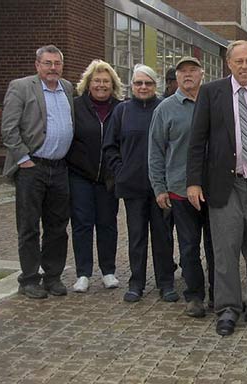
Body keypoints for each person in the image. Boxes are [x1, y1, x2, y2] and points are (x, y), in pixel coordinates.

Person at [187, 40, 247, 336]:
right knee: (225, 250)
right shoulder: (211, 93)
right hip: (224, 185)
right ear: (228, 63)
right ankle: (228, 309)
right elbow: (197, 141)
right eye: (239, 61)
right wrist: (193, 182)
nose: (244, 66)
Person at [1, 45, 74, 299]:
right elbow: (9, 128)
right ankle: (29, 279)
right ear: (37, 65)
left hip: (59, 168)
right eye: (47, 63)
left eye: (57, 63)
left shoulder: (67, 87)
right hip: (32, 168)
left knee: (57, 226)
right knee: (29, 226)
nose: (53, 68)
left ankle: (52, 277)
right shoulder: (21, 87)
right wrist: (23, 159)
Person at [103, 64, 177, 303]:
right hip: (133, 186)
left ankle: (166, 282)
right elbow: (110, 146)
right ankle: (136, 283)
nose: (143, 87)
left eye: (148, 83)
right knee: (136, 237)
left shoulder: (164, 108)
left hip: (161, 187)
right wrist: (120, 171)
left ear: (155, 86)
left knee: (163, 236)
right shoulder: (122, 111)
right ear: (131, 85)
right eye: (138, 83)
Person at [148, 56, 215, 317]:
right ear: (176, 78)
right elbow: (155, 151)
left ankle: (218, 295)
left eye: (193, 71)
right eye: (182, 72)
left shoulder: (214, 103)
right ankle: (194, 296)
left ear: (202, 74)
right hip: (178, 189)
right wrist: (159, 187)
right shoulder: (165, 109)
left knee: (215, 247)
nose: (188, 75)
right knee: (188, 247)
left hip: (213, 189)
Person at [65, 59, 123, 293]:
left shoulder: (120, 108)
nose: (101, 85)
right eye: (96, 81)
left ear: (113, 84)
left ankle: (108, 271)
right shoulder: (76, 106)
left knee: (108, 224)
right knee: (82, 224)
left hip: (108, 178)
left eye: (106, 81)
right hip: (80, 175)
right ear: (88, 83)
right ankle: (83, 273)